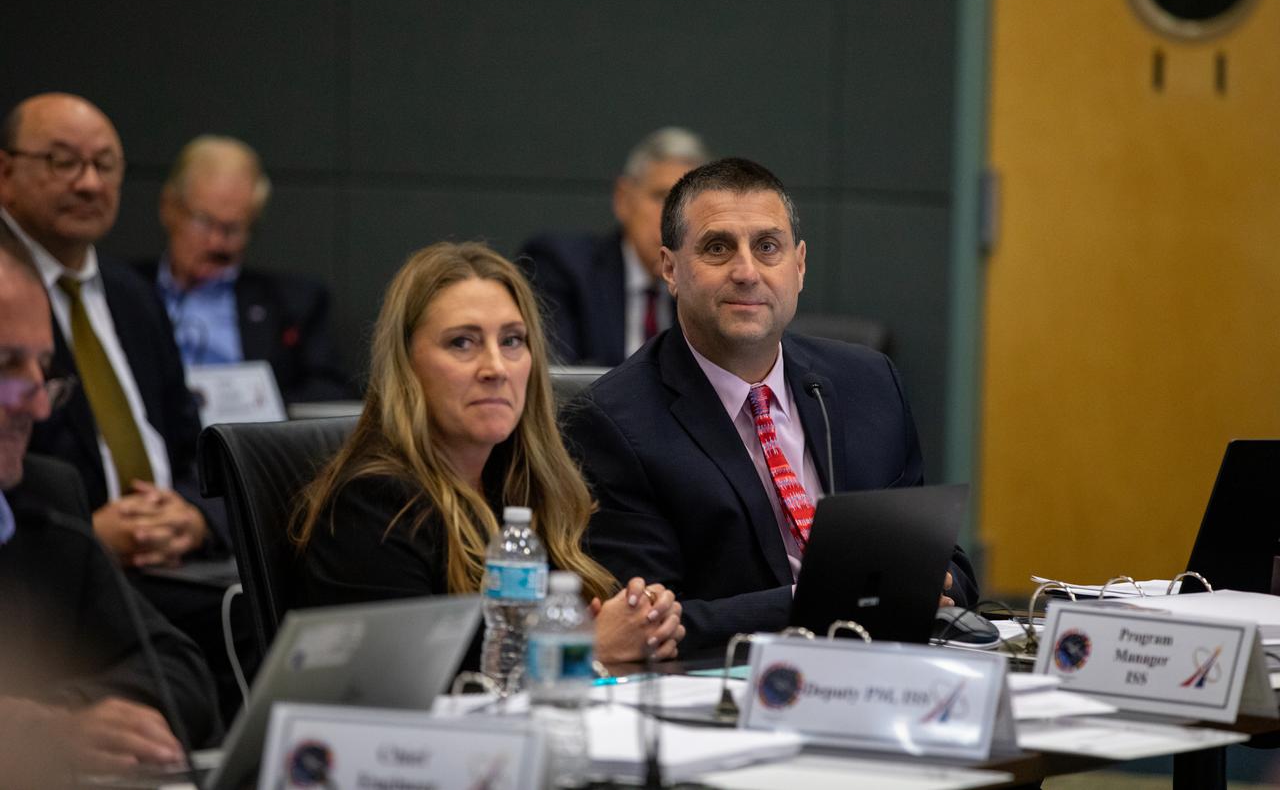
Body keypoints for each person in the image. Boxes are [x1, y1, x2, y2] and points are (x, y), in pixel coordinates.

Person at [562, 158, 978, 651]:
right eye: (718, 248)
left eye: (767, 247)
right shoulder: (611, 423)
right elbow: (653, 624)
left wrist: (939, 580)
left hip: (890, 672)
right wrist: (828, 598)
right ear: (670, 268)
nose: (746, 272)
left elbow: (949, 567)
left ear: (799, 266)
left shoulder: (870, 383)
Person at [291, 242, 685, 666]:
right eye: (462, 343)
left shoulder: (529, 487)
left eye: (513, 341)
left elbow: (586, 618)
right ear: (406, 364)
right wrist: (583, 646)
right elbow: (401, 677)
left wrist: (640, 617)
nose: (495, 367)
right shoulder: (375, 504)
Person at [0, 245, 219, 780]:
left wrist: (65, 718)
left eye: (44, 368)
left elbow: (183, 675)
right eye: (7, 365)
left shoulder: (44, 503)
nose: (40, 404)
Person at [0, 92, 223, 563]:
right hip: (48, 573)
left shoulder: (133, 294)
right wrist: (84, 536)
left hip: (170, 562)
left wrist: (192, 516)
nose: (89, 184)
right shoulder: (8, 300)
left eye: (106, 165)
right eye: (62, 162)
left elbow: (193, 447)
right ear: (5, 174)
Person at [141, 135, 353, 404]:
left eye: (233, 229)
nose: (216, 242)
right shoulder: (121, 290)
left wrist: (259, 410)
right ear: (169, 208)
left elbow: (331, 392)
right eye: (204, 222)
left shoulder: (293, 302)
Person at [519, 127, 711, 366]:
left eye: (686, 203)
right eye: (660, 197)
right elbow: (559, 382)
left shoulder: (704, 287)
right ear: (623, 199)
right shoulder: (562, 266)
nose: (673, 216)